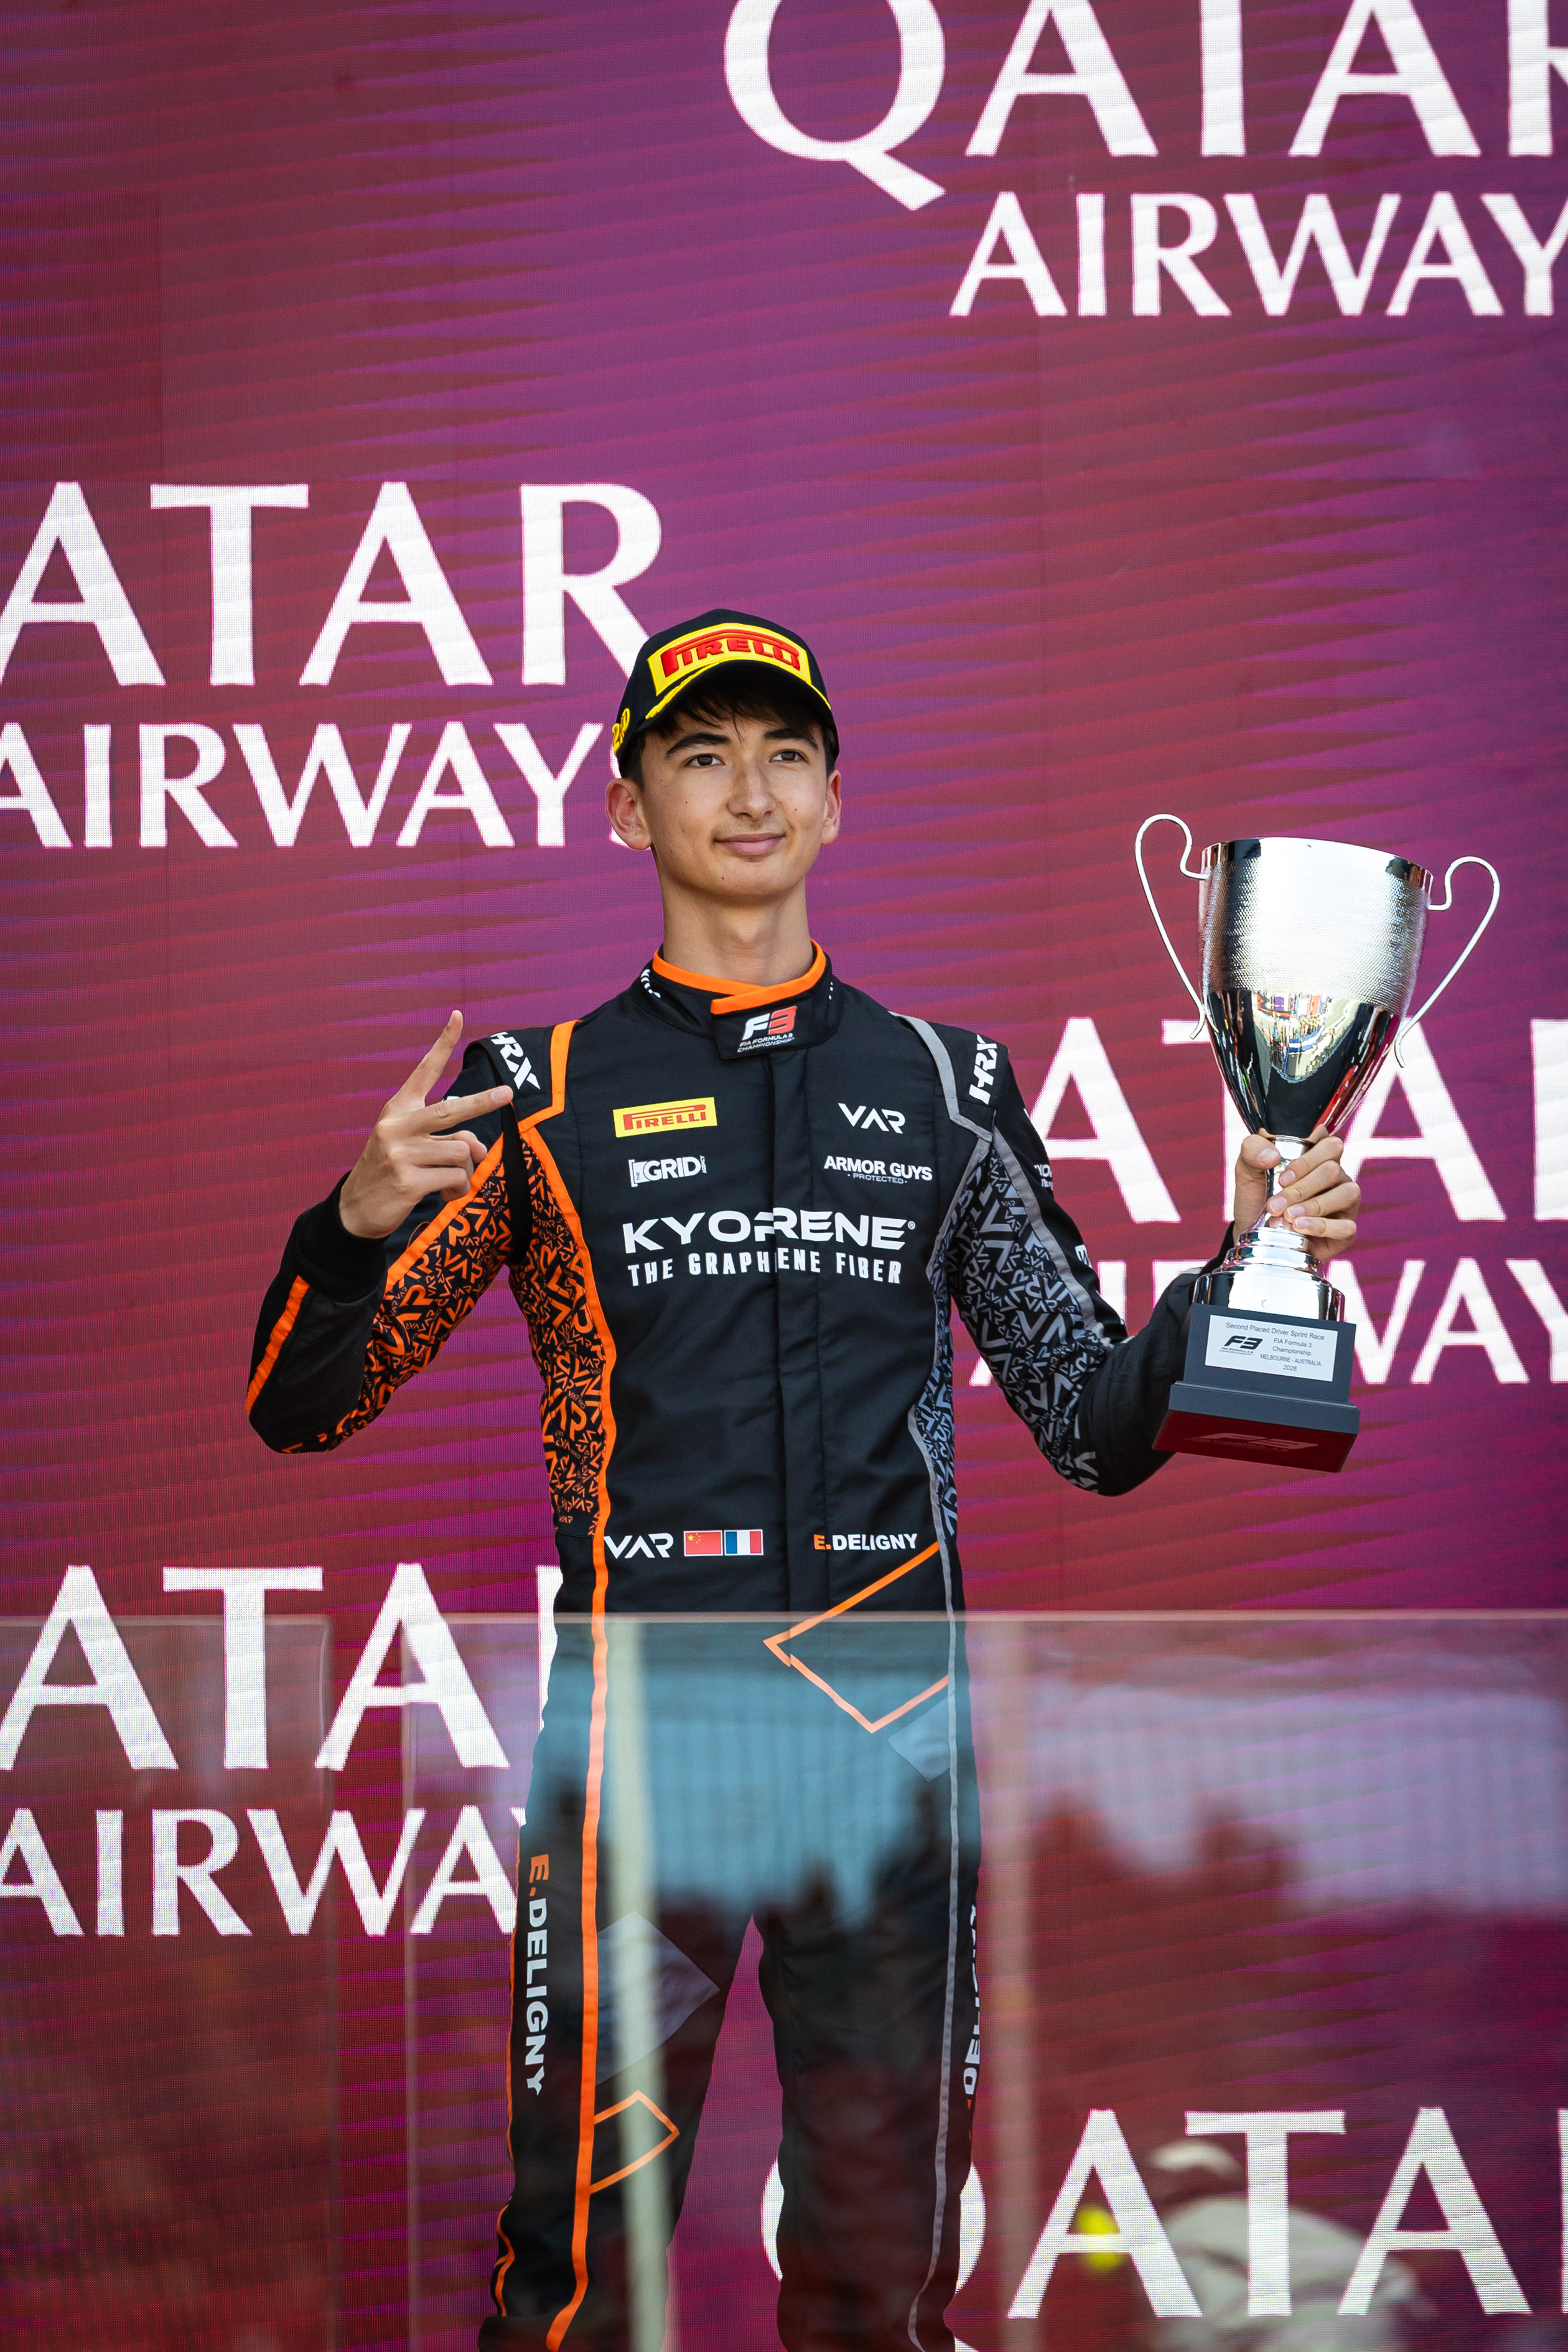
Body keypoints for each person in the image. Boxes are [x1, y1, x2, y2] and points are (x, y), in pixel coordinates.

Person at [246, 609, 1361, 2352]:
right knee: (575, 2291)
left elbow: (1091, 1420)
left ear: (838, 798)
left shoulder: (947, 1088)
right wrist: (350, 1224)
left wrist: (1244, 1274)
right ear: (628, 808)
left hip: (885, 1751)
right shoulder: (529, 1098)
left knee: (878, 2290)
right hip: (642, 1750)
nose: (750, 793)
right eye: (701, 756)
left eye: (785, 754)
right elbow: (302, 1409)